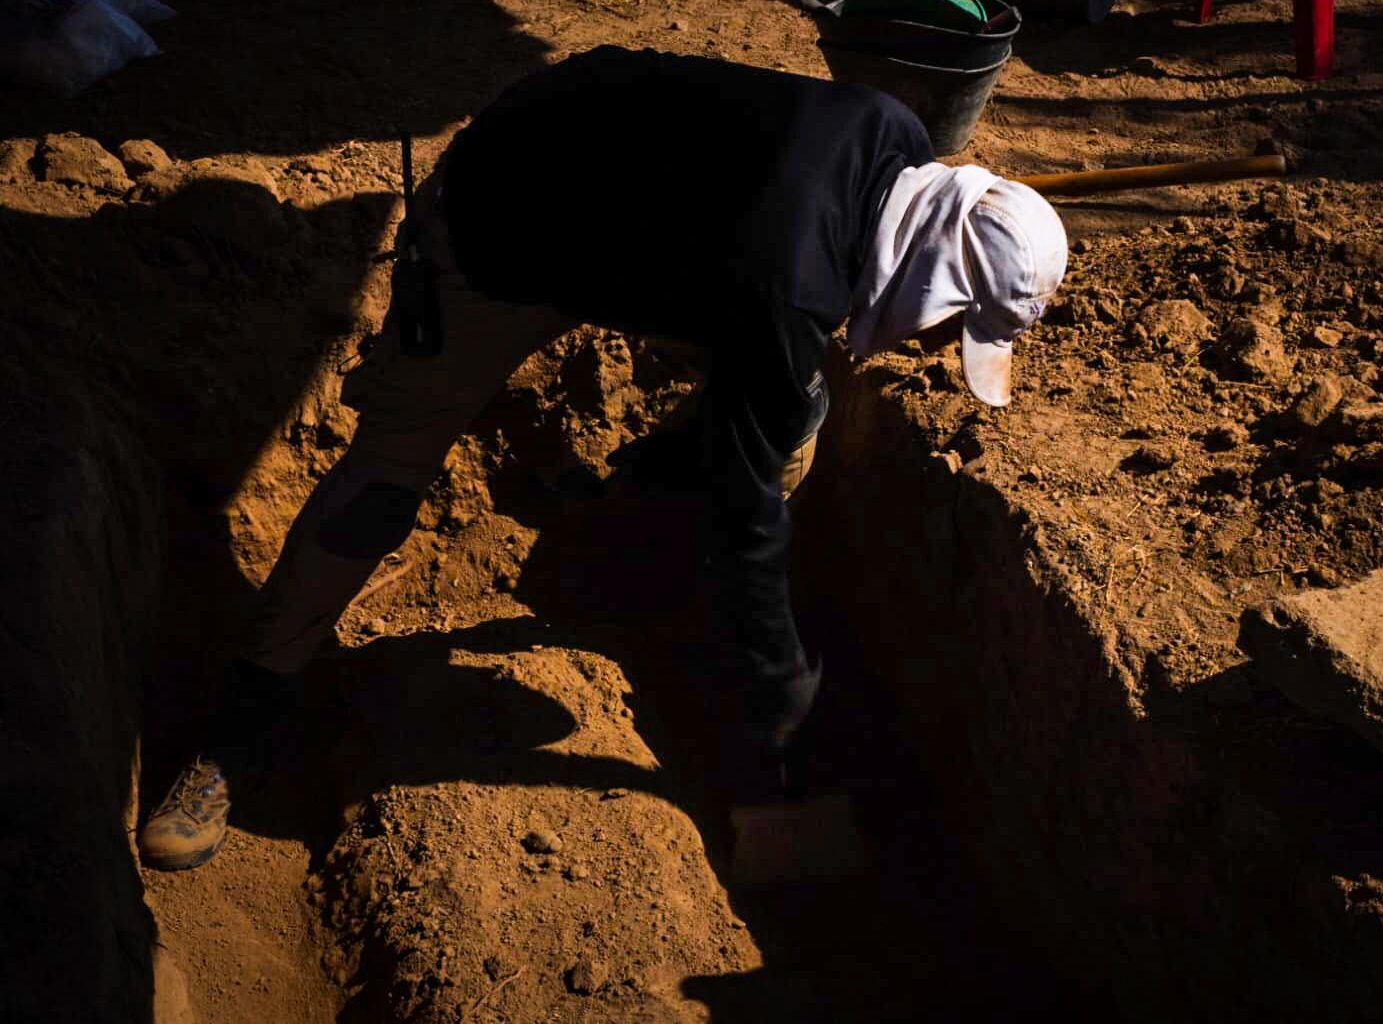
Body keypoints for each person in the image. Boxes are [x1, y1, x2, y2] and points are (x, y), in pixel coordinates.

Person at [137, 45, 1068, 871]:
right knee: (384, 478)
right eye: (947, 324)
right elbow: (753, 529)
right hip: (503, 222)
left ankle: (633, 548)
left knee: (784, 426)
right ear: (932, 269)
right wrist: (782, 732)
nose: (926, 346)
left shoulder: (891, 134)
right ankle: (245, 714)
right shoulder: (782, 289)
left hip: (642, 216)